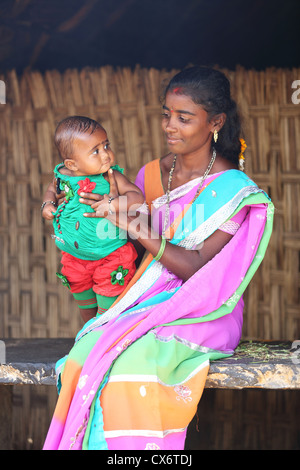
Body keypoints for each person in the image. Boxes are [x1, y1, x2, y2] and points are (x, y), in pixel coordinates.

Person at [43, 66, 274, 450]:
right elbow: (133, 259)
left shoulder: (233, 189)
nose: (170, 126)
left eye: (184, 118)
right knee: (81, 357)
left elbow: (196, 269)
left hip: (203, 312)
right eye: (166, 114)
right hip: (142, 302)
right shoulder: (149, 174)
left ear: (215, 122)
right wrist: (83, 223)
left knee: (129, 372)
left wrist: (133, 224)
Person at [41, 116, 144, 323]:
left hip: (110, 255)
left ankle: (102, 336)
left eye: (106, 145)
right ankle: (88, 333)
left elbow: (137, 197)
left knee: (107, 312)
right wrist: (48, 203)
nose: (106, 155)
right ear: (71, 163)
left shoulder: (111, 176)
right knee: (86, 308)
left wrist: (113, 204)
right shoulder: (62, 174)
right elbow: (52, 188)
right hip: (74, 257)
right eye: (95, 151)